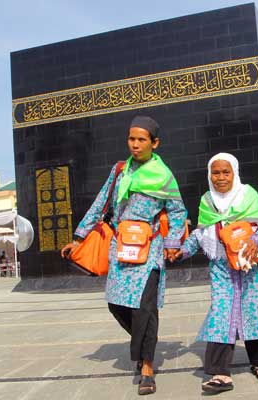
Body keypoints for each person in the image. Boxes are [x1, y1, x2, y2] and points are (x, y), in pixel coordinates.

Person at [61, 115, 187, 396]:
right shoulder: (119, 171)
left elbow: (178, 211)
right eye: (132, 138)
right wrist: (78, 237)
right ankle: (145, 344)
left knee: (145, 309)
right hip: (119, 248)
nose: (135, 144)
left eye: (142, 139)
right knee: (116, 306)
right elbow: (100, 202)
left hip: (150, 249)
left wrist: (172, 242)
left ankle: (147, 367)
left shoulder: (164, 176)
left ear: (155, 143)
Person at [174, 153, 258, 394]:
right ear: (209, 175)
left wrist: (256, 241)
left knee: (254, 310)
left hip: (253, 265)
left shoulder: (248, 194)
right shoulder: (206, 200)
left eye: (225, 172)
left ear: (235, 173)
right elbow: (201, 233)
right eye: (216, 172)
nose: (220, 177)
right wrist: (182, 252)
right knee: (221, 312)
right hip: (222, 266)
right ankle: (220, 373)